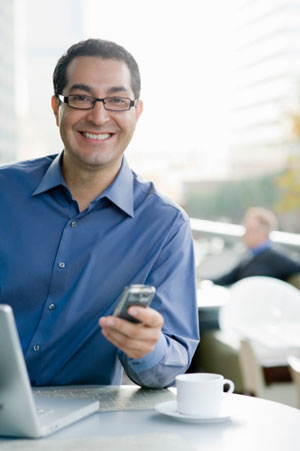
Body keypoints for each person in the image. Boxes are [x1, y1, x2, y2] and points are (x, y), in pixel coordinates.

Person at [0, 39, 199, 388]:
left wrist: (147, 348)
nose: (98, 115)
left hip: (83, 428)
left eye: (117, 101)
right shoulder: (4, 192)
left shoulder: (165, 226)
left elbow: (168, 366)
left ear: (136, 112)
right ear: (56, 107)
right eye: (80, 98)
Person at [212, 207, 300, 286]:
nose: (244, 234)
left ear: (263, 233)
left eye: (249, 230)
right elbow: (227, 279)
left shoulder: (275, 256)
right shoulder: (250, 256)